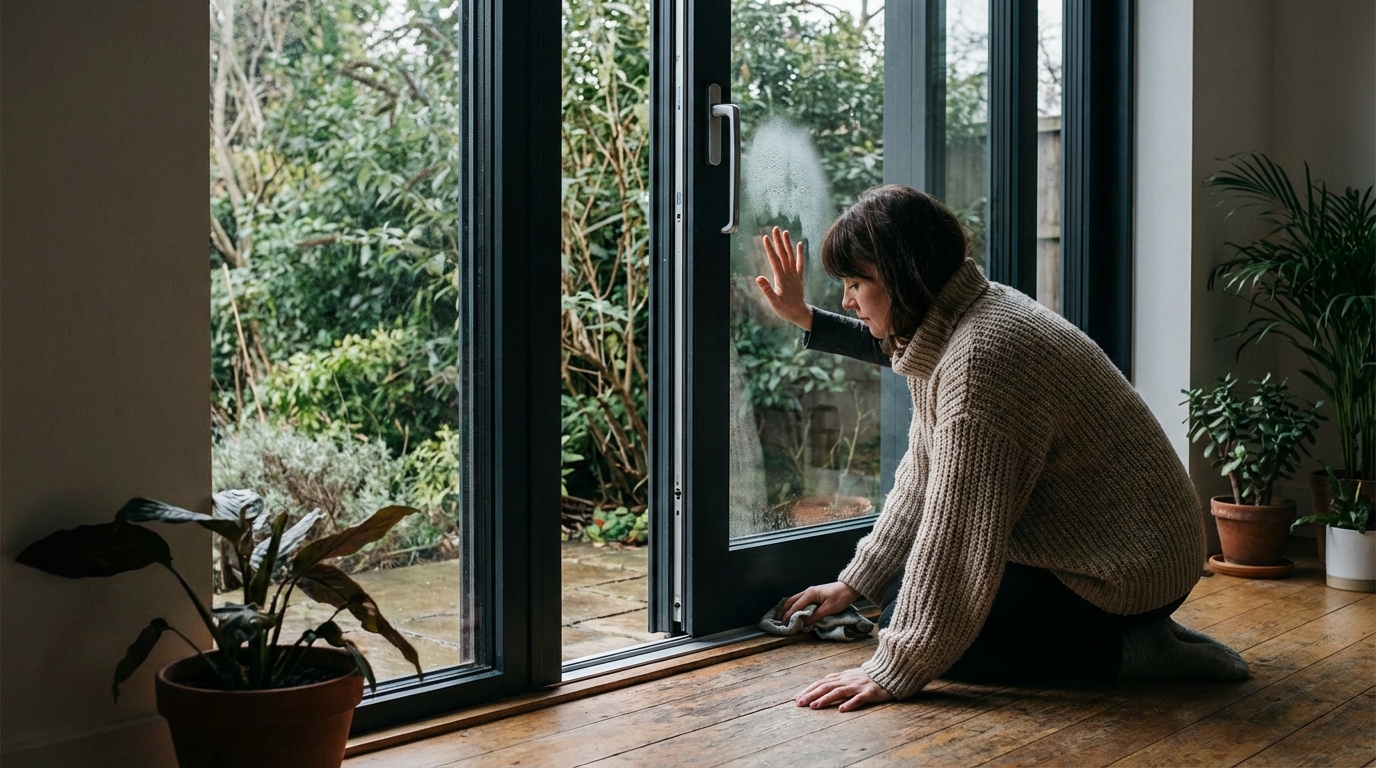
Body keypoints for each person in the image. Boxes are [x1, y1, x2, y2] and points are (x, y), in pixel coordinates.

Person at [755, 185, 1248, 714]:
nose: (848, 301)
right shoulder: (955, 323)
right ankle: (1126, 631)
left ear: (907, 278)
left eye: (856, 284)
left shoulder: (979, 362)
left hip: (1132, 568)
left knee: (932, 639)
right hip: (1113, 544)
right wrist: (854, 584)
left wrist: (892, 670)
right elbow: (922, 473)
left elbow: (958, 528)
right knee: (906, 606)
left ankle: (1133, 649)